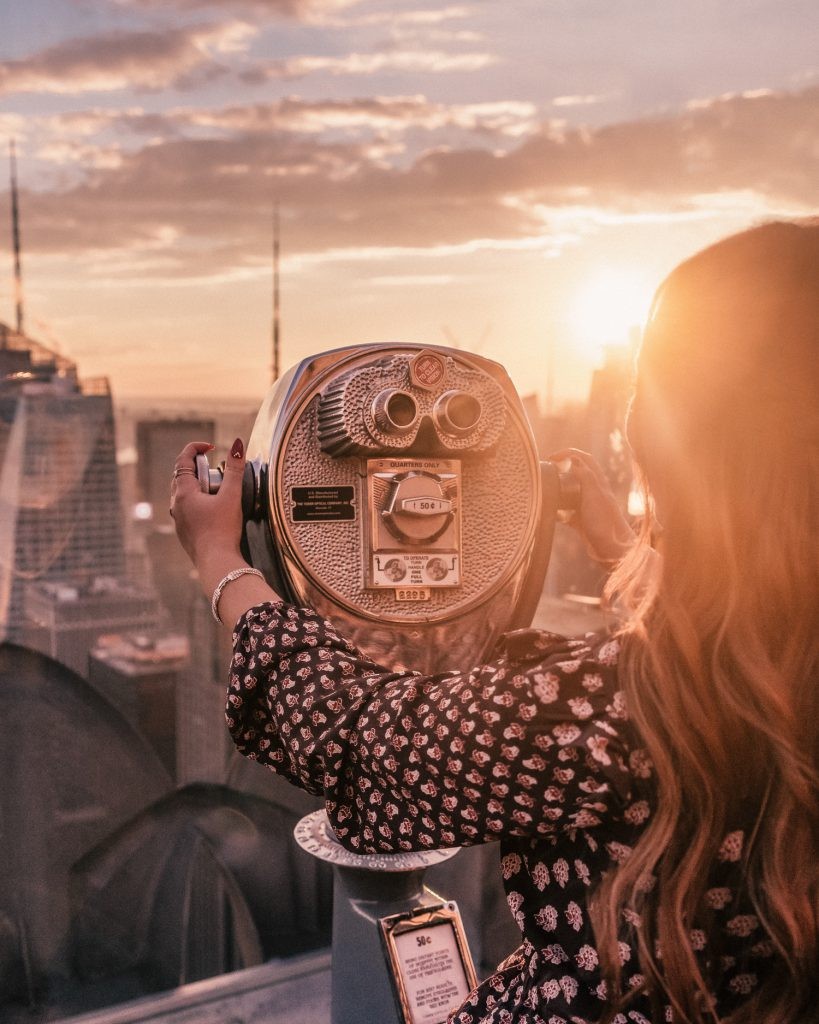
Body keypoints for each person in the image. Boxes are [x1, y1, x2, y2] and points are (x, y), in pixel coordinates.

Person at [170, 221, 819, 1024]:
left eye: (646, 388)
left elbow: (361, 747)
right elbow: (742, 636)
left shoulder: (614, 712)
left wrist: (219, 559)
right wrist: (627, 548)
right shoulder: (745, 670)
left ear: (682, 438)